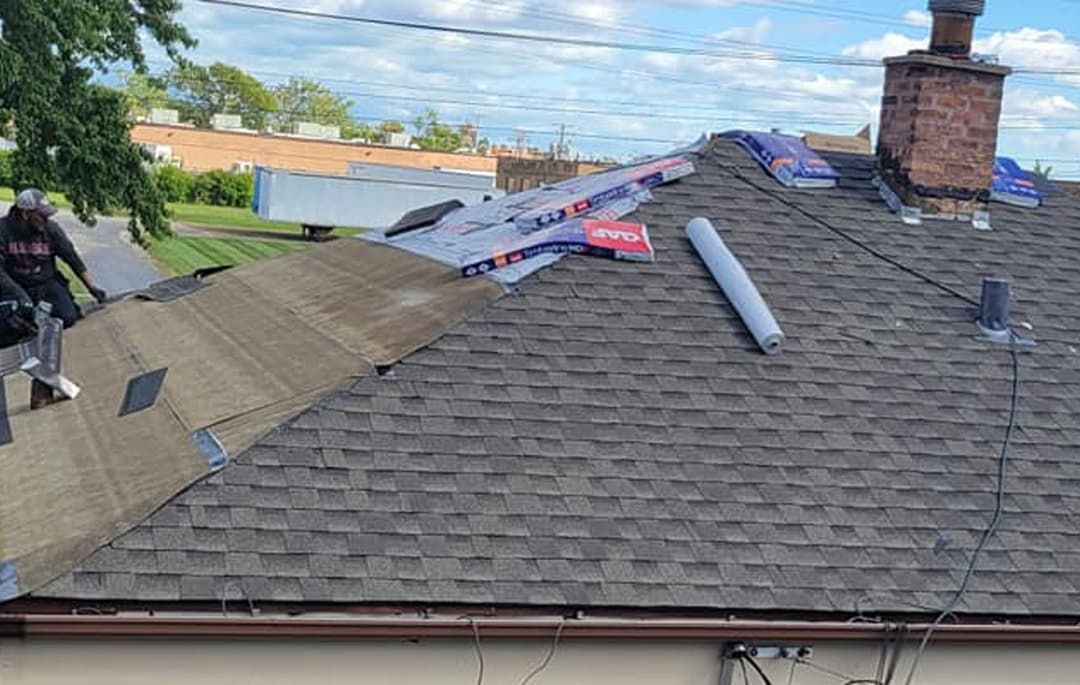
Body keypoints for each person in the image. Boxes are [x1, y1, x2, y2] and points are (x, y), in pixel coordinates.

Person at [0, 188, 107, 329]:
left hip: (46, 284)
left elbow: (72, 258)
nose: (46, 219)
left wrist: (91, 287)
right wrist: (19, 295)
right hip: (14, 286)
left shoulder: (51, 230)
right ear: (26, 214)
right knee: (10, 325)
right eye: (42, 215)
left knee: (68, 318)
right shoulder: (3, 230)